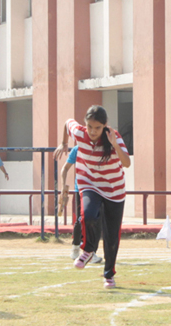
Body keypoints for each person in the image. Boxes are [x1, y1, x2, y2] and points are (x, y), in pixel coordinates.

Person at [54, 105, 130, 289]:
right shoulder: (80, 133)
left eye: (97, 128)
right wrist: (64, 143)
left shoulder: (113, 136)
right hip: (90, 184)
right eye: (89, 126)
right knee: (87, 214)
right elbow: (67, 123)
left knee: (111, 236)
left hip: (113, 189)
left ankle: (109, 275)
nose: (93, 131)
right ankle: (88, 249)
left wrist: (114, 144)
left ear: (105, 125)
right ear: (85, 124)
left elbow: (126, 163)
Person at [61, 145, 102, 264]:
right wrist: (63, 186)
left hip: (98, 190)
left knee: (96, 221)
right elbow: (65, 168)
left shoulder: (100, 148)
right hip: (81, 189)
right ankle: (75, 247)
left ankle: (91, 252)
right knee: (80, 220)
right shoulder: (77, 149)